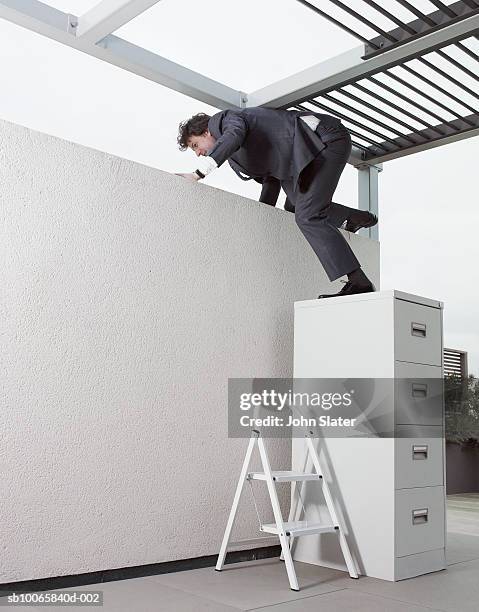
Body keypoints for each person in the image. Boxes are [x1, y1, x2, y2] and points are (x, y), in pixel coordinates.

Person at [176, 107, 377, 298]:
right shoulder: (236, 155)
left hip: (325, 139)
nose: (198, 153)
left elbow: (234, 134)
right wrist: (263, 214)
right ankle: (354, 217)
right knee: (293, 206)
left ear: (206, 132)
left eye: (195, 145)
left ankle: (359, 281)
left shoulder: (225, 120)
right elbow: (270, 180)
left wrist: (198, 174)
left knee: (308, 216)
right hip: (303, 159)